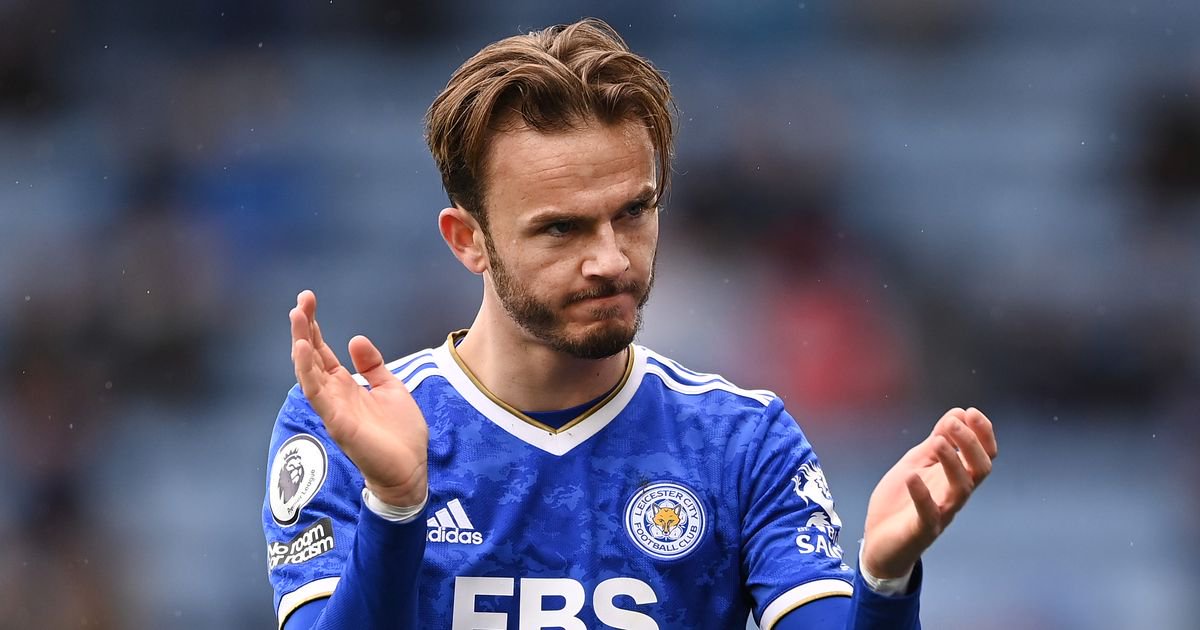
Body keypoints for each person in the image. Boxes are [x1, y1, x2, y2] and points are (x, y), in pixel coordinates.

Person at [263, 18, 997, 630]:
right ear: (468, 241)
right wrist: (395, 508)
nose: (610, 260)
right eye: (561, 229)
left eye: (634, 212)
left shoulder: (740, 444)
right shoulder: (353, 431)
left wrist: (884, 582)